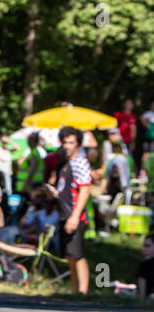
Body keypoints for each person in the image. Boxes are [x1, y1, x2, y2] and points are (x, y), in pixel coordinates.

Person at [47, 125, 92, 293]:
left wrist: (75, 216)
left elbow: (84, 191)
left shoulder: (80, 162)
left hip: (75, 216)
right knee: (70, 256)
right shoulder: (66, 164)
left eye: (71, 142)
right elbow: (67, 190)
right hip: (64, 213)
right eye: (65, 142)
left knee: (78, 255)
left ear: (78, 144)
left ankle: (83, 291)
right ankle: (75, 291)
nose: (67, 146)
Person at [137, 233, 154, 300]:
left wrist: (142, 300)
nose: (144, 248)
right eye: (144, 246)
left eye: (147, 246)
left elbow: (142, 293)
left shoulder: (144, 264)